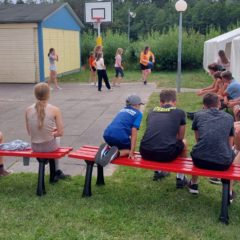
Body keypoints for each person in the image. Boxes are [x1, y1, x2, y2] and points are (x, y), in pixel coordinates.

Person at [189, 93, 235, 199]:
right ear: (219, 104)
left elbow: (198, 139)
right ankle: (229, 192)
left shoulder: (198, 115)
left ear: (204, 105)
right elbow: (229, 143)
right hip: (223, 164)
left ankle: (194, 184)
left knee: (198, 149)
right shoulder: (229, 118)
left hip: (200, 161)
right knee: (230, 152)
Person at [139, 89, 187, 188]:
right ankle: (180, 178)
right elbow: (180, 137)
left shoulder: (151, 111)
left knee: (157, 139)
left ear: (160, 102)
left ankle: (158, 172)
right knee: (184, 142)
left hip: (145, 152)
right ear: (175, 102)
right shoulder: (180, 112)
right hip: (166, 154)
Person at [25, 83, 69, 181]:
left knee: (49, 135)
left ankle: (50, 166)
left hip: (35, 147)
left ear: (35, 94)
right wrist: (53, 133)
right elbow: (60, 132)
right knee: (57, 137)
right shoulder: (55, 109)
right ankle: (57, 171)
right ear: (48, 94)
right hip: (49, 147)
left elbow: (30, 132)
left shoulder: (28, 110)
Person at [95, 95, 143, 167]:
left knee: (116, 144)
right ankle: (116, 153)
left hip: (107, 134)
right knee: (127, 150)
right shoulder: (138, 114)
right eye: (140, 105)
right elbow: (134, 132)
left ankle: (106, 148)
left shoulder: (122, 110)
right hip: (119, 136)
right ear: (136, 105)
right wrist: (132, 151)